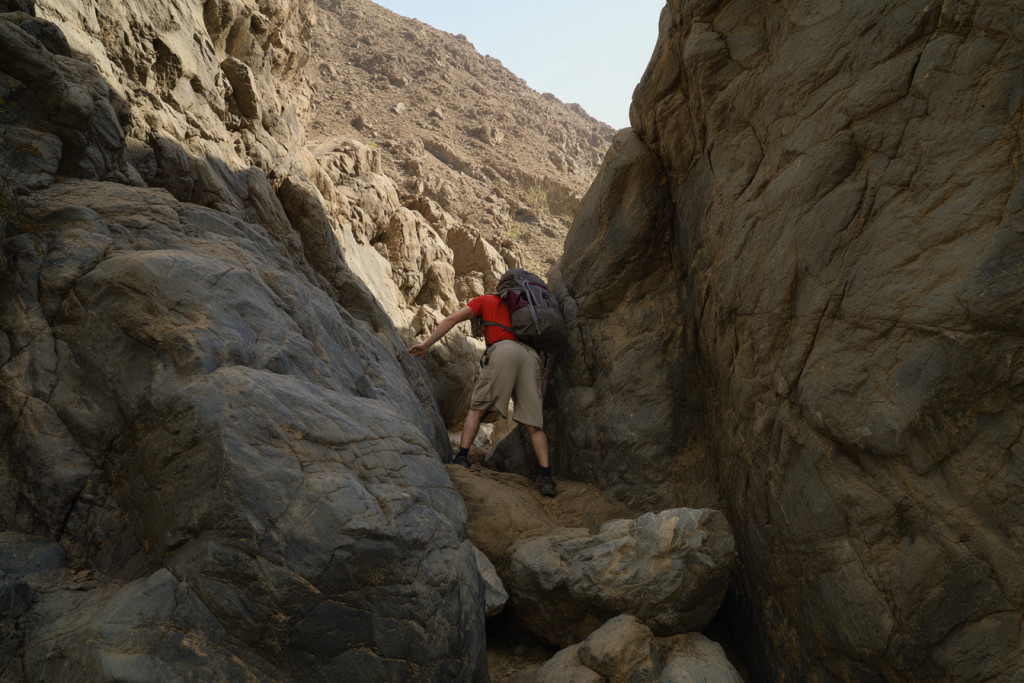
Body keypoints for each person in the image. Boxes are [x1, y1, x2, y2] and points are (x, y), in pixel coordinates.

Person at [409, 294, 556, 497]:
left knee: (476, 409)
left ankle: (461, 457)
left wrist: (427, 344)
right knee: (534, 425)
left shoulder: (486, 300)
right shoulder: (528, 304)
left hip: (503, 349)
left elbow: (452, 319)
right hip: (532, 358)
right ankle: (547, 478)